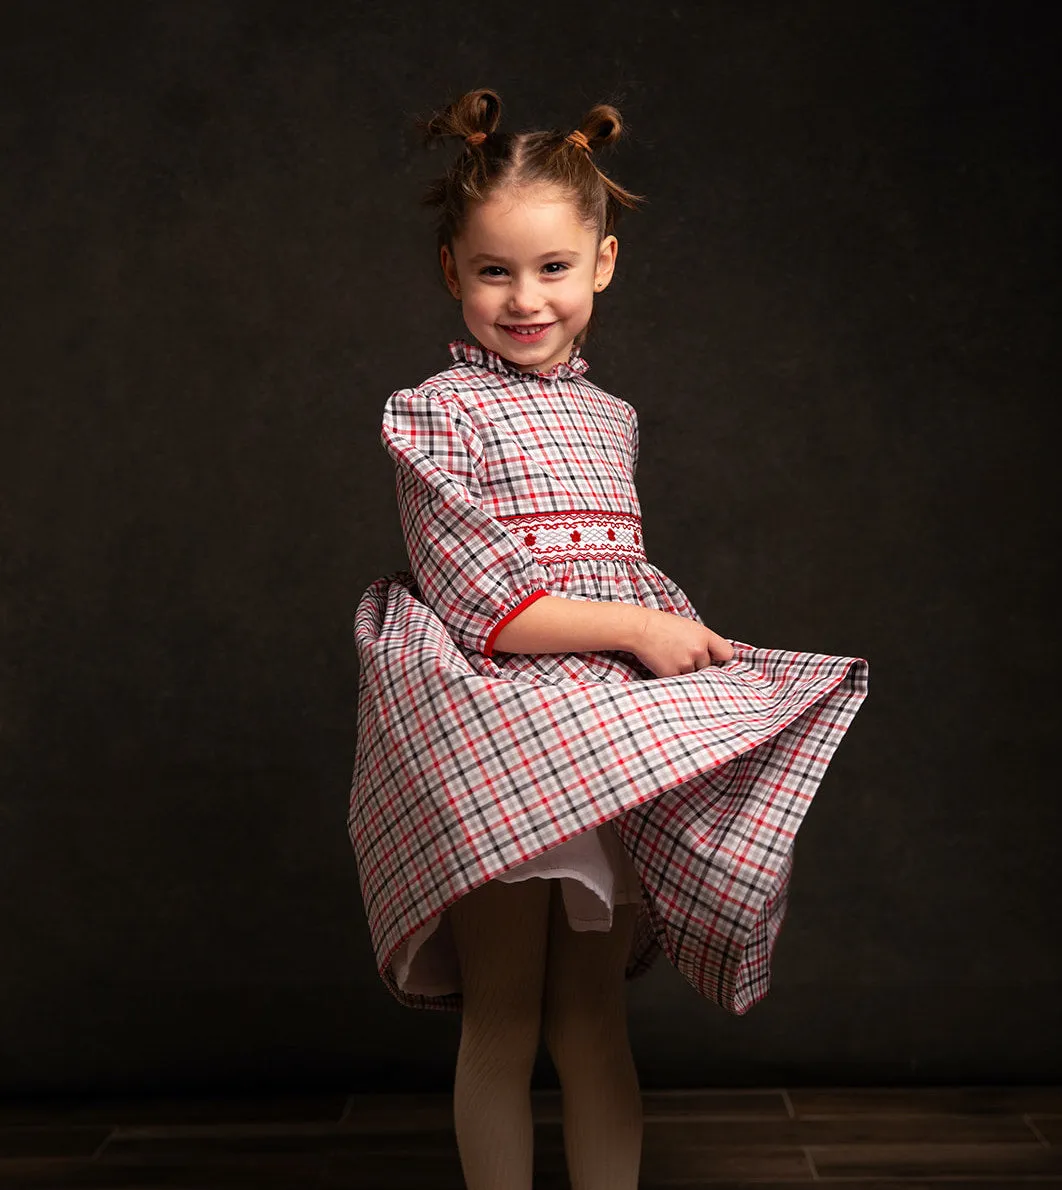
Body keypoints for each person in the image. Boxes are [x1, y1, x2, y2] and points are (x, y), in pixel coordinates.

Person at [348, 87, 869, 1190]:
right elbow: (480, 595)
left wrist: (662, 634)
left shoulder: (612, 417)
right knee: (504, 1015)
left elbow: (617, 569)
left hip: (600, 740)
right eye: (494, 270)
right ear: (452, 271)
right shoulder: (439, 408)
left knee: (590, 1021)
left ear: (604, 264)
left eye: (552, 268)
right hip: (499, 734)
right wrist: (637, 626)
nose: (525, 297)